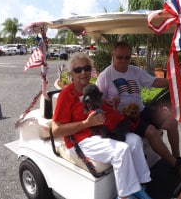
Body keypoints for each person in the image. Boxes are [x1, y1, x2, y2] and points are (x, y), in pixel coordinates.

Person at [52, 52, 152, 199]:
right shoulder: (66, 95)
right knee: (121, 150)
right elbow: (56, 130)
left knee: (135, 141)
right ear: (71, 73)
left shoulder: (93, 89)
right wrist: (86, 123)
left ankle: (140, 185)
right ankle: (124, 196)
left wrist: (110, 105)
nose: (83, 72)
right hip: (80, 139)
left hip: (101, 132)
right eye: (78, 70)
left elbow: (102, 107)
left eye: (86, 68)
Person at [96, 41, 181, 177]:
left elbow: (155, 82)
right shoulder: (106, 75)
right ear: (113, 56)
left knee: (171, 122)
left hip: (141, 110)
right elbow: (98, 100)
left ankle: (177, 158)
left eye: (127, 57)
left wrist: (175, 82)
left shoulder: (135, 71)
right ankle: (176, 166)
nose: (123, 61)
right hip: (124, 117)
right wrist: (109, 102)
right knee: (151, 131)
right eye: (120, 57)